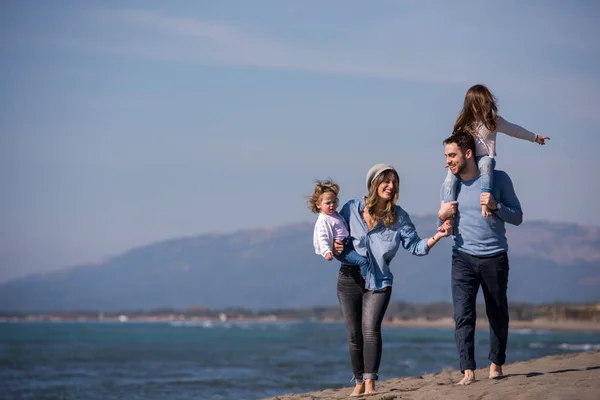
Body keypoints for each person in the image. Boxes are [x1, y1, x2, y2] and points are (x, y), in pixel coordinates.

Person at [333, 164, 452, 397]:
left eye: (394, 182)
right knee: (354, 334)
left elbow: (416, 247)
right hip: (349, 277)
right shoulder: (351, 209)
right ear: (373, 184)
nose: (390, 186)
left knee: (370, 330)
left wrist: (438, 235)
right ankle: (358, 382)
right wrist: (335, 246)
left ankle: (370, 384)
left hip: (379, 281)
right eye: (385, 181)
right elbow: (336, 236)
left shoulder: (399, 217)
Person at [438, 131, 524, 385]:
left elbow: (517, 216)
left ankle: (496, 364)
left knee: (497, 313)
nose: (447, 161)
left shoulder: (499, 179)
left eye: (452, 155)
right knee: (463, 315)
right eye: (445, 156)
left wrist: (496, 206)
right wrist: (442, 216)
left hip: (494, 257)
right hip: (462, 257)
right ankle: (468, 371)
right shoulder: (449, 185)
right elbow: (446, 225)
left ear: (468, 154)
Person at [443, 84, 549, 218]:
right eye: (481, 104)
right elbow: (455, 143)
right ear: (472, 105)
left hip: (484, 156)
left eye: (487, 103)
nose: (486, 107)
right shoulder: (464, 122)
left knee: (486, 167)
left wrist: (535, 137)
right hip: (466, 158)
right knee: (449, 180)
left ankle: (485, 201)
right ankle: (448, 211)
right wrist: (452, 161)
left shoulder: (493, 121)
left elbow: (514, 130)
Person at [308, 179, 370, 276]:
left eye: (334, 202)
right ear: (318, 204)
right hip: (342, 250)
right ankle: (369, 283)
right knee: (363, 261)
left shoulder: (335, 215)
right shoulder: (323, 221)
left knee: (367, 256)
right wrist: (327, 252)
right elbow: (322, 237)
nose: (332, 205)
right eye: (328, 203)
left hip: (349, 243)